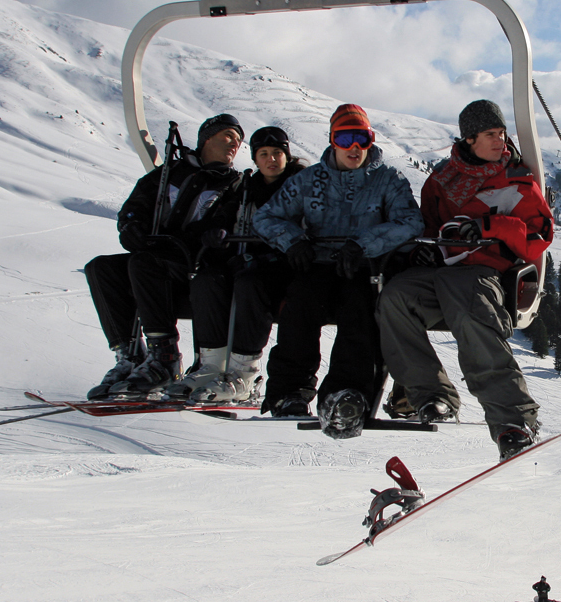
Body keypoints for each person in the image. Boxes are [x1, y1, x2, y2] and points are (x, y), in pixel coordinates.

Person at [376, 99, 553, 459]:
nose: (500, 142)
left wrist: (490, 226)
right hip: (441, 269)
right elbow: (426, 225)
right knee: (395, 298)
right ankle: (430, 396)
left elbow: (540, 235)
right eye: (490, 134)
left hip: (484, 272)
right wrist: (419, 250)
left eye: (502, 134)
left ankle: (513, 419)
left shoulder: (516, 181)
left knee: (468, 306)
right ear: (469, 139)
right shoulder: (442, 181)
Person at [253, 104, 422, 436]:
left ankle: (345, 394)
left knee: (359, 310)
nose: (355, 147)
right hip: (318, 263)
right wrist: (293, 241)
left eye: (363, 138)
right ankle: (290, 391)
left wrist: (364, 243)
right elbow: (266, 217)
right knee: (300, 304)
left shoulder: (387, 179)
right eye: (345, 138)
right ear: (333, 141)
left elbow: (410, 222)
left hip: (364, 267)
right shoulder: (309, 180)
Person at [84, 114, 245, 397]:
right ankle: (129, 356)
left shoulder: (235, 184)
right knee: (102, 268)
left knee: (143, 264)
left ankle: (164, 358)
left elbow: (229, 222)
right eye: (228, 136)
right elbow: (134, 207)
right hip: (155, 258)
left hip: (195, 264)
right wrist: (132, 226)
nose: (235, 144)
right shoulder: (168, 175)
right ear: (207, 139)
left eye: (238, 140)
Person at [168, 126, 303, 402]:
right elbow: (224, 214)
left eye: (277, 153)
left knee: (250, 283)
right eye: (263, 154)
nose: (271, 160)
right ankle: (211, 366)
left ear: (286, 156)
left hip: (283, 267)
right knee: (208, 280)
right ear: (255, 159)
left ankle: (244, 372)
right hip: (245, 259)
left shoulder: (300, 186)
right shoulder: (245, 188)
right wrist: (216, 231)